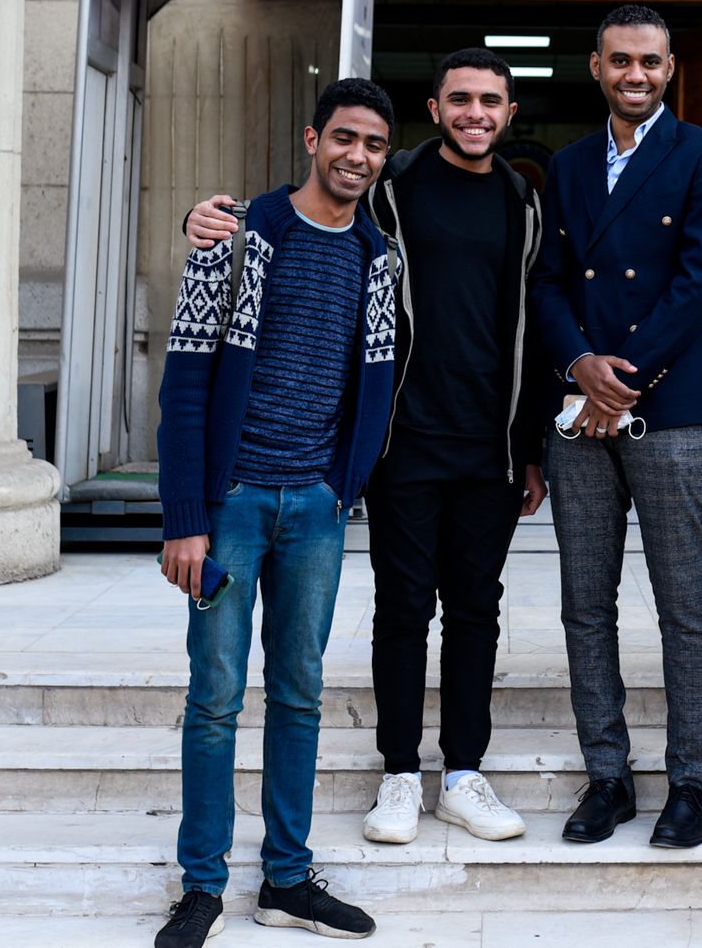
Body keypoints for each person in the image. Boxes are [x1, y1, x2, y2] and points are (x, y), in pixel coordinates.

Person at [184, 50, 548, 849]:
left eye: (490, 101)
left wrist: (530, 448)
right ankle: (398, 774)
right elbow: (304, 209)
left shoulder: (523, 201)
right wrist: (206, 220)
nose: (476, 113)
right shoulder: (392, 187)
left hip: (488, 445)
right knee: (403, 608)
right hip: (399, 442)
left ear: (509, 112)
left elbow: (532, 323)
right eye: (460, 99)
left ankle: (463, 774)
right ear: (435, 109)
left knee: (477, 610)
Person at [155, 78, 397, 948]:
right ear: (311, 139)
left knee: (299, 694)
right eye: (344, 137)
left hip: (317, 512)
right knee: (215, 696)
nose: (357, 156)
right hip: (231, 507)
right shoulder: (236, 236)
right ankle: (202, 887)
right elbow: (185, 383)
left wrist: (342, 485)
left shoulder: (378, 258)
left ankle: (288, 880)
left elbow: (374, 385)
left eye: (373, 144)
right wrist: (185, 518)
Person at [529, 3, 702, 849]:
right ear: (597, 67)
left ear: (669, 69)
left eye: (650, 61)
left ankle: (690, 783)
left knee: (684, 604)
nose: (636, 74)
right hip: (579, 410)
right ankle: (607, 776)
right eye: (621, 60)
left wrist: (620, 380)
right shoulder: (568, 163)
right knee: (586, 604)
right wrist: (580, 362)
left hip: (671, 408)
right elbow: (546, 280)